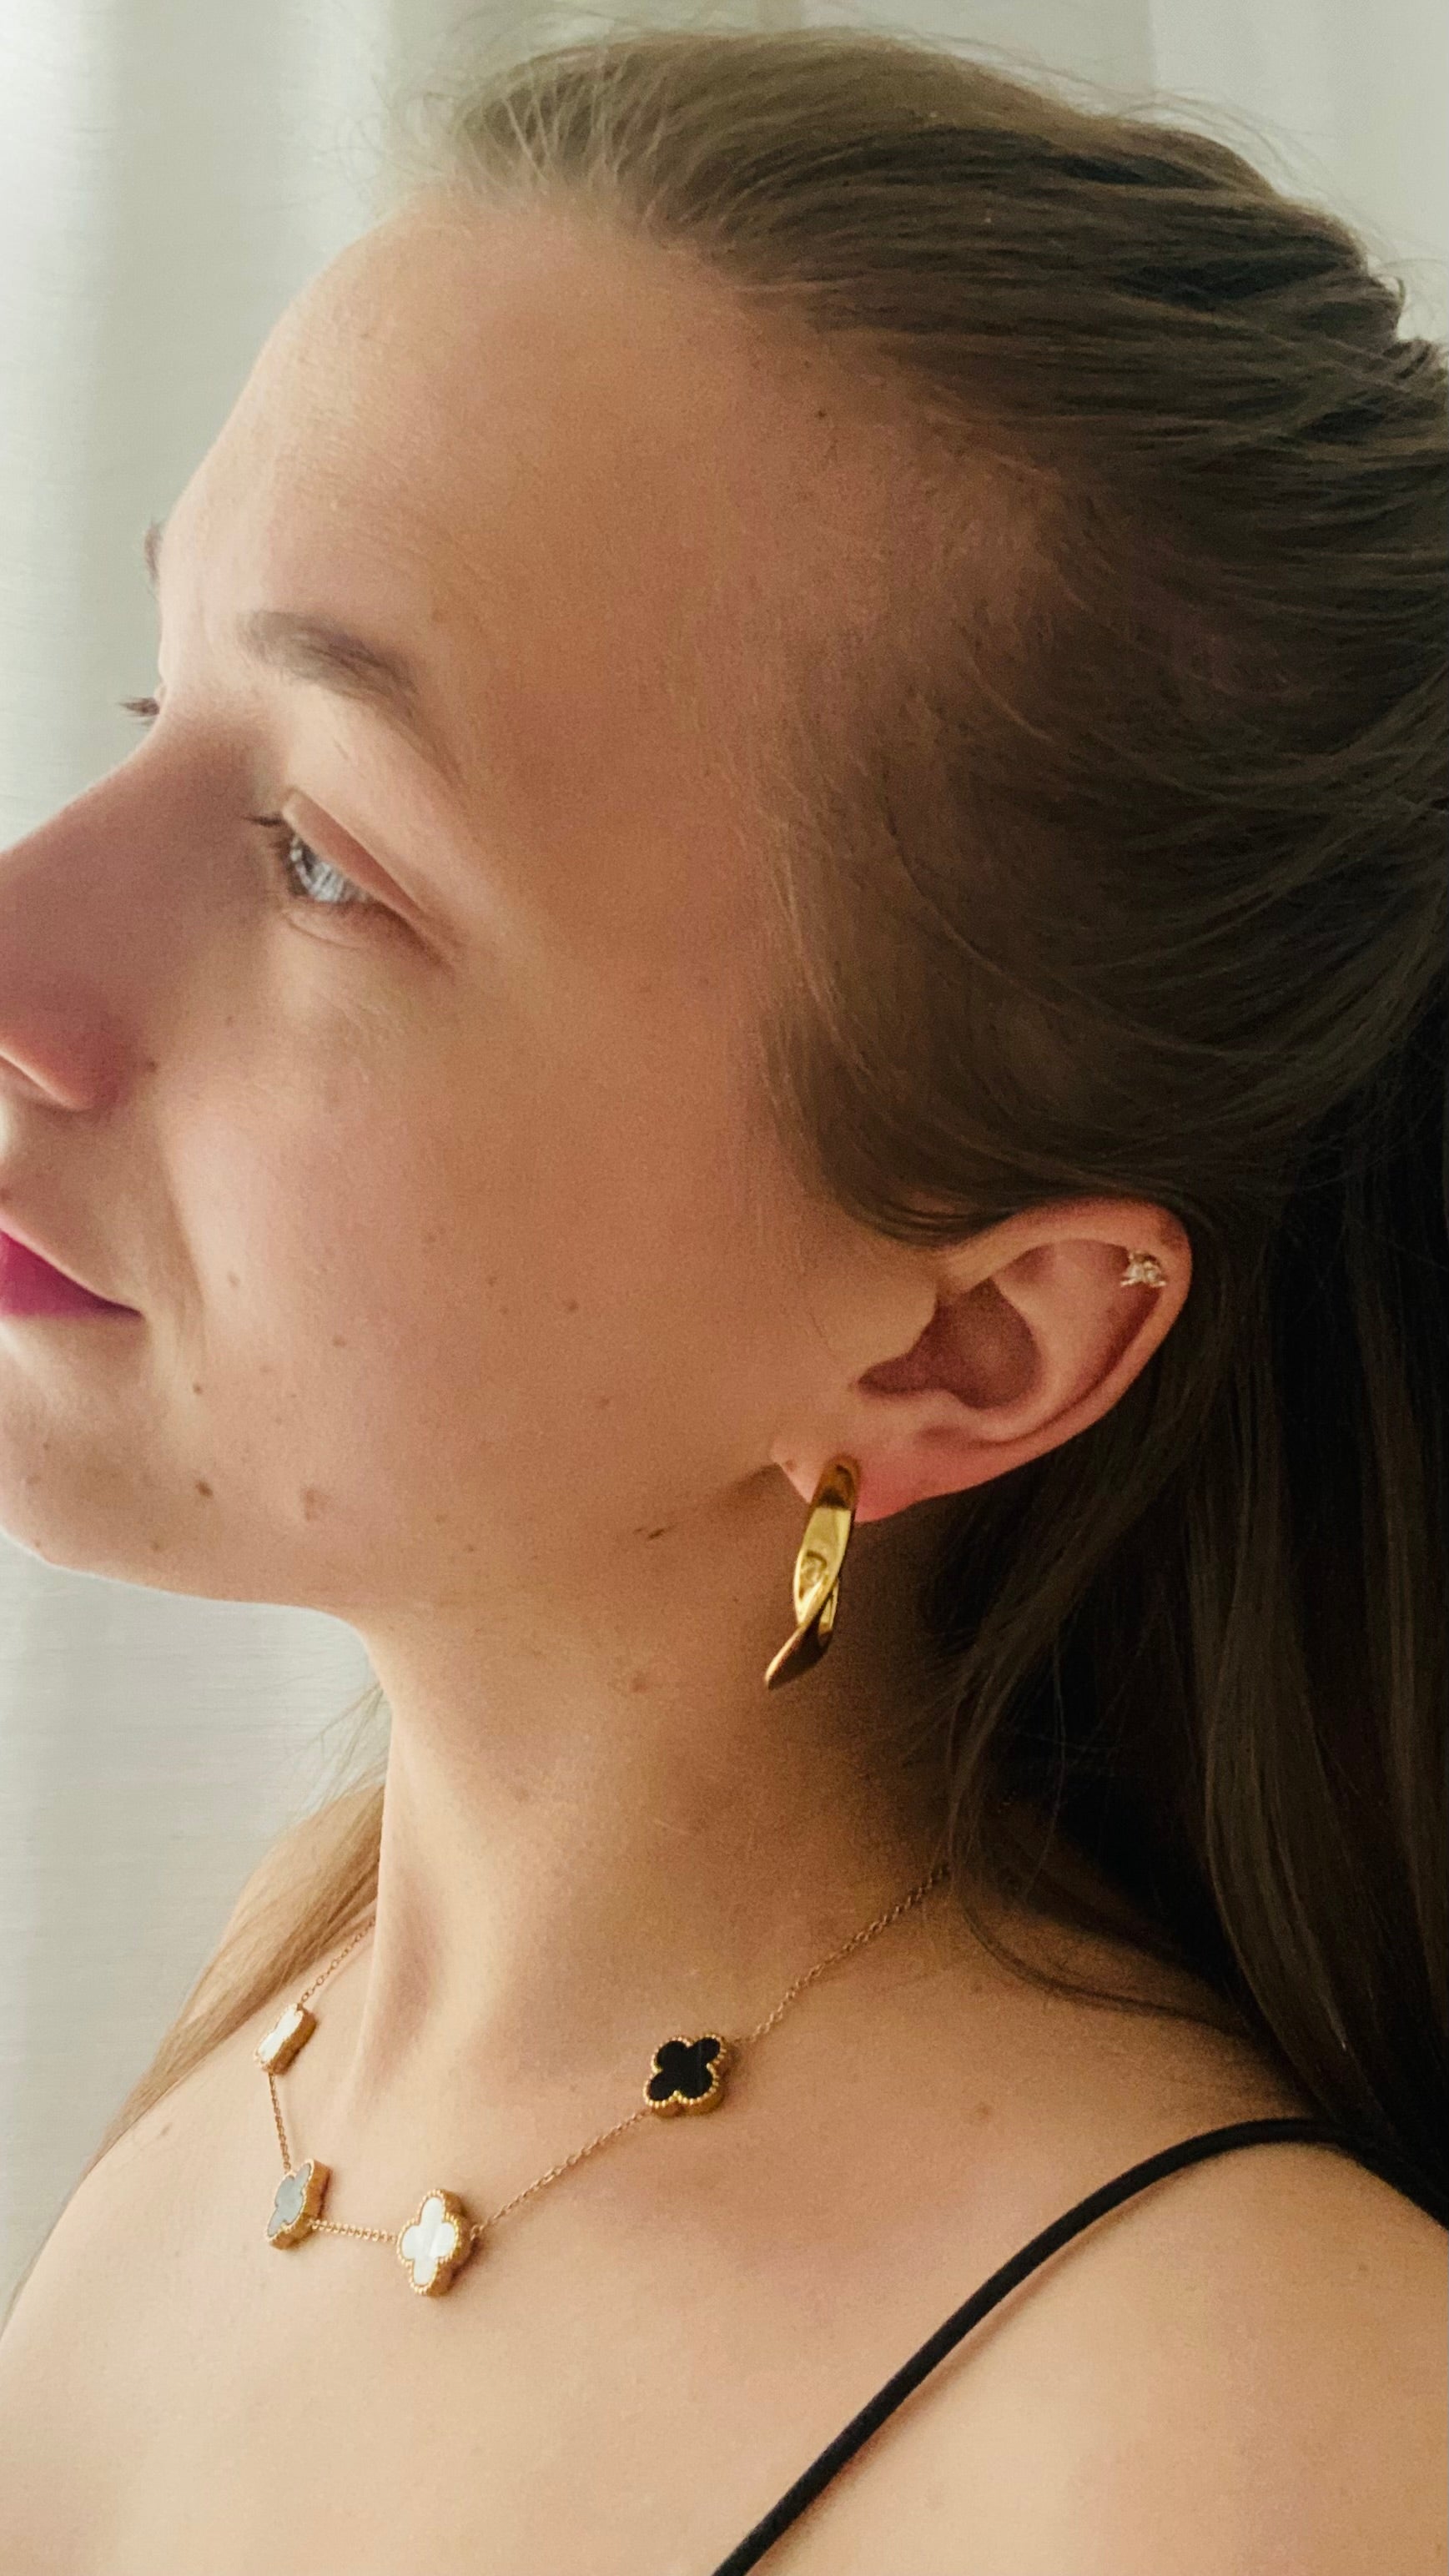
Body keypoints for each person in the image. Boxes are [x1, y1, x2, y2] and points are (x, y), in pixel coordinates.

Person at [0, 22, 1443, 2571]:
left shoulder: (1252, 2452)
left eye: (323, 858)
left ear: (965, 1343)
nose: (26, 947)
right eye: (158, 692)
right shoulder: (304, 2009)